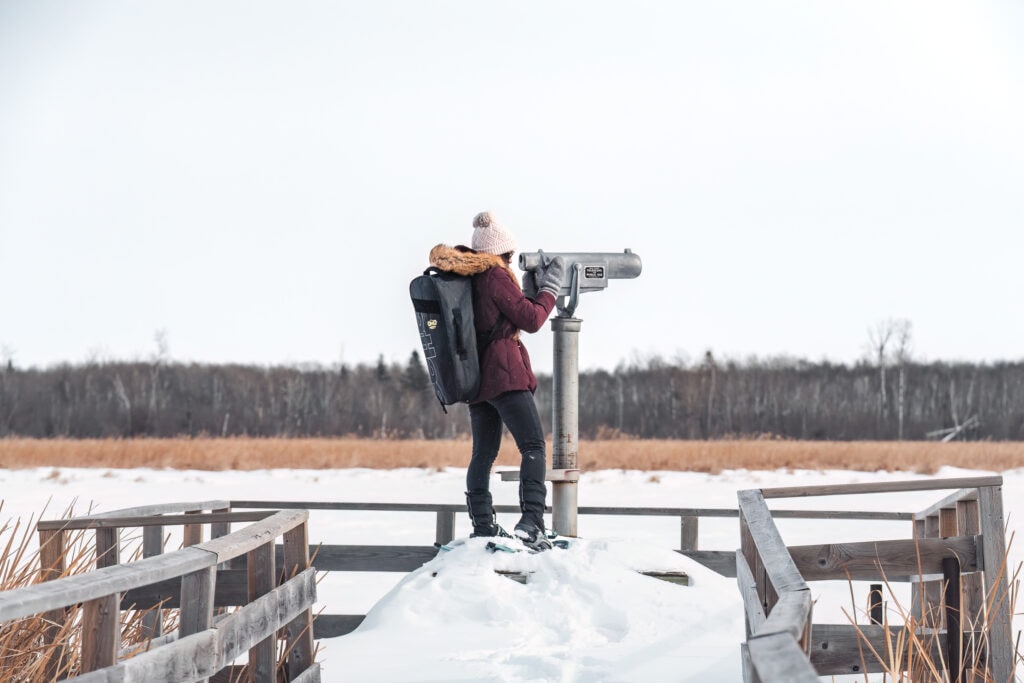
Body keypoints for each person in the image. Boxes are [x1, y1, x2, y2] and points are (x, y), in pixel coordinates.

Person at [429, 211, 565, 551]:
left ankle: (484, 524)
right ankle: (532, 522)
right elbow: (531, 320)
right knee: (533, 446)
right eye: (510, 257)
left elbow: (509, 312)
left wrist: (529, 291)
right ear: (500, 254)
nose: (512, 265)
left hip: (477, 381)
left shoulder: (466, 278)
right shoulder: (494, 276)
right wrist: (549, 288)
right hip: (504, 373)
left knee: (483, 454)